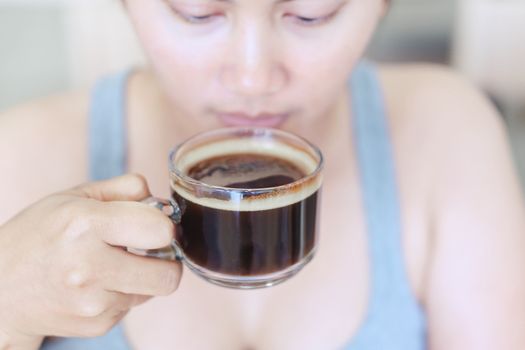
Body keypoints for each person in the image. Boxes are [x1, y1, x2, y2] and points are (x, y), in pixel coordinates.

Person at [0, 0, 524, 349]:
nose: (253, 77)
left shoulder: (447, 129)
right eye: (197, 12)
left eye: (311, 15)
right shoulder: (21, 154)